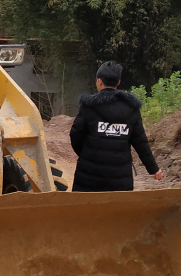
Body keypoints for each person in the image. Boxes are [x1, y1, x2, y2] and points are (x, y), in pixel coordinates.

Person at [70, 61, 163, 192]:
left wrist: (87, 155)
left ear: (99, 81)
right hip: (120, 180)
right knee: (116, 211)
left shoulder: (89, 107)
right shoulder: (131, 109)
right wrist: (154, 169)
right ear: (118, 82)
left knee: (86, 210)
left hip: (89, 179)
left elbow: (75, 135)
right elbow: (141, 143)